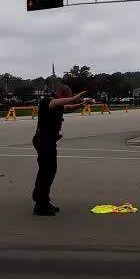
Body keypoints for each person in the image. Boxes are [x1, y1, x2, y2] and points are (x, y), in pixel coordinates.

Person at [31, 84, 87, 216]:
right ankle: (40, 204)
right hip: (43, 140)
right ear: (62, 94)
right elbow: (56, 103)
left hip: (49, 140)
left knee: (49, 170)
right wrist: (76, 97)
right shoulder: (48, 100)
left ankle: (43, 199)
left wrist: (79, 105)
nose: (69, 99)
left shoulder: (57, 103)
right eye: (68, 96)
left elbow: (65, 107)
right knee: (46, 171)